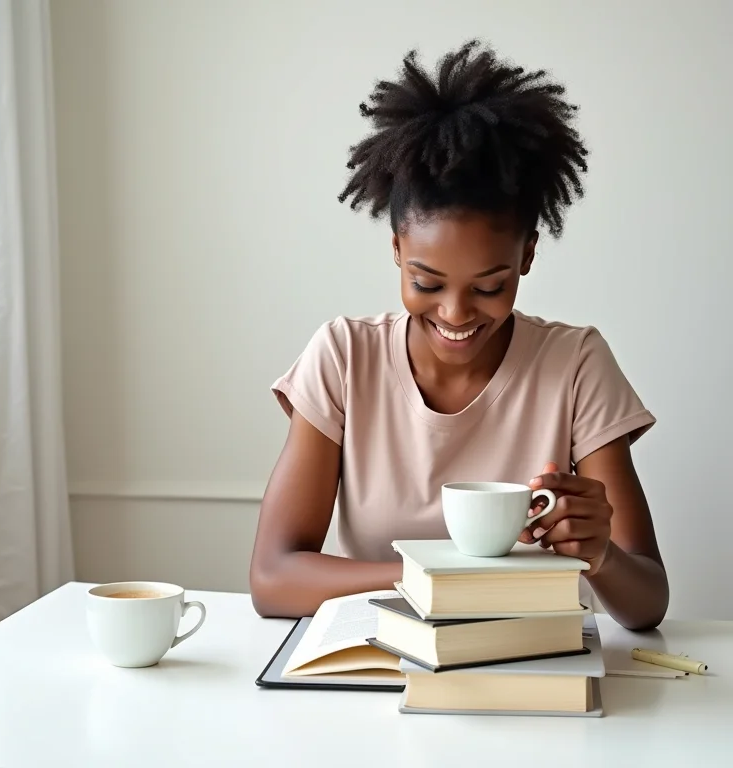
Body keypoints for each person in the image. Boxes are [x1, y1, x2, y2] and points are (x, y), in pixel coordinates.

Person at [249, 40, 668, 630]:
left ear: (527, 256)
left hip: (526, 665)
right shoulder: (344, 356)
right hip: (376, 667)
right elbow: (273, 579)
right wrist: (448, 576)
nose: (455, 313)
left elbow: (647, 604)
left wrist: (599, 556)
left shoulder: (575, 363)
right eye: (427, 282)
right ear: (396, 249)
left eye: (489, 286)